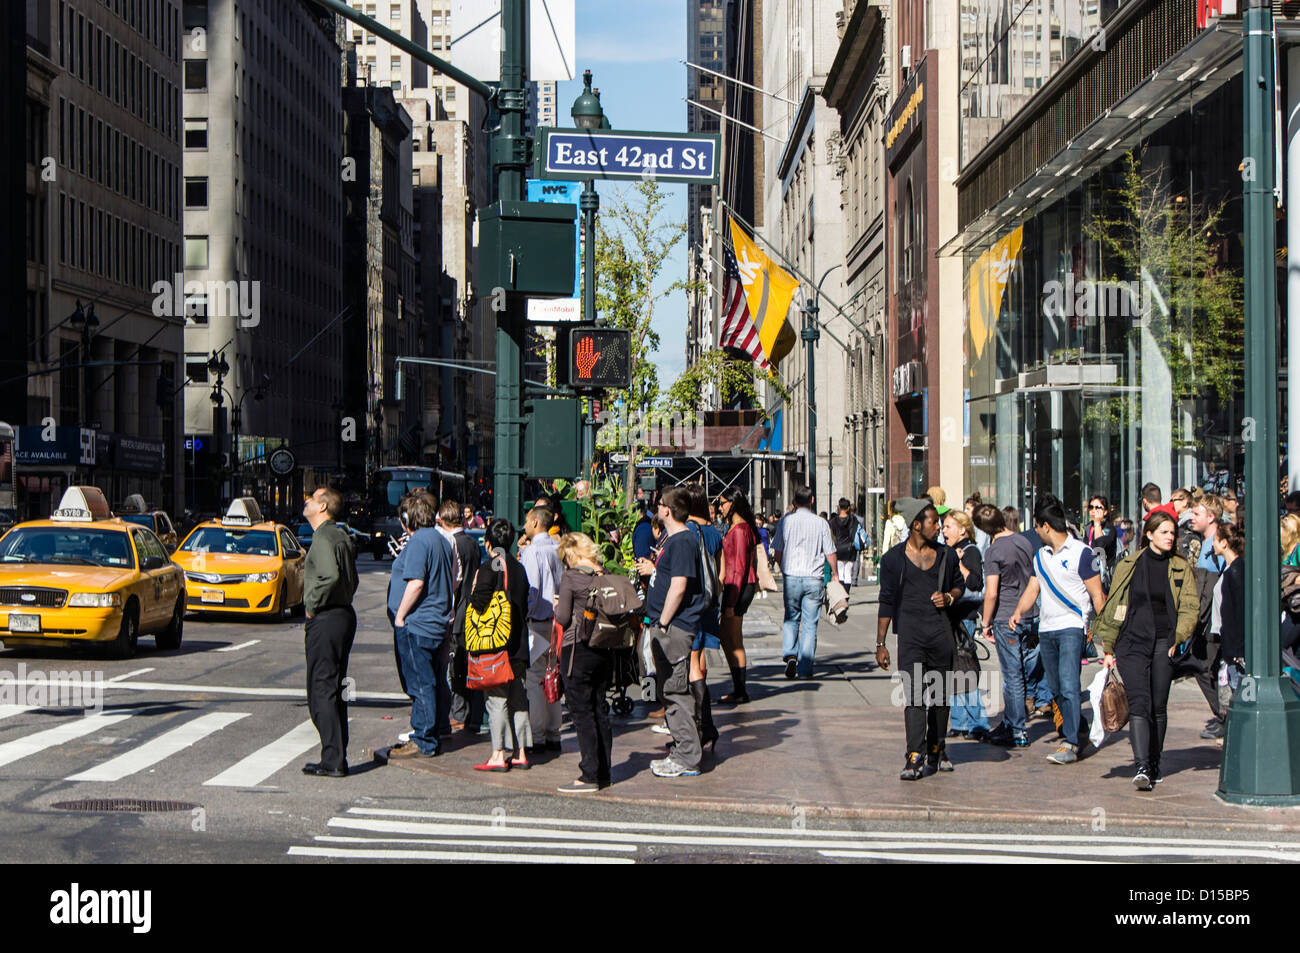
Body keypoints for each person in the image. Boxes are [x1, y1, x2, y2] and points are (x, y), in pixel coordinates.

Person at [1094, 511, 1200, 790]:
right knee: (1139, 703)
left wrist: (1179, 635)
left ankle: (1154, 762)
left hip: (1165, 641)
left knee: (1158, 706)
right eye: (1164, 532)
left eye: (1172, 533)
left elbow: (1190, 608)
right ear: (1149, 534)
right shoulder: (1128, 565)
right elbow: (1115, 606)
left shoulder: (1180, 567)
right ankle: (1141, 766)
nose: (1170, 537)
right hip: (1132, 642)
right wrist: (1108, 645)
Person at [1008, 500, 1106, 765]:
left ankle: (1071, 742)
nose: (1035, 531)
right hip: (1047, 628)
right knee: (1056, 689)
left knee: (1070, 685)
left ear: (1046, 525)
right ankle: (1080, 731)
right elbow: (1033, 588)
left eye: (1037, 526)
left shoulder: (1083, 553)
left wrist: (1107, 637)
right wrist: (1018, 612)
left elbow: (1098, 595)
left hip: (1072, 628)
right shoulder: (1040, 555)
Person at [876, 499, 964, 779]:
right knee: (914, 697)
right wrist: (880, 644)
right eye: (933, 522)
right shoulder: (892, 559)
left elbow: (959, 586)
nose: (938, 527)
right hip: (911, 639)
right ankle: (914, 756)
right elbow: (887, 601)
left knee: (939, 698)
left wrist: (949, 596)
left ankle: (936, 748)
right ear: (916, 525)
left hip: (940, 636)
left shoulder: (947, 556)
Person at [643, 487, 706, 778]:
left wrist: (665, 622)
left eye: (659, 504)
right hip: (669, 624)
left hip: (675, 628)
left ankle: (687, 757)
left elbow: (679, 585)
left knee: (675, 691)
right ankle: (683, 750)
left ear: (667, 510)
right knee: (671, 691)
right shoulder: (675, 539)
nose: (656, 507)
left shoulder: (682, 541)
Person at [388, 491, 456, 759]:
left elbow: (416, 583)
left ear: (407, 520)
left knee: (420, 681)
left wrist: (400, 615)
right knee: (433, 679)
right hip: (435, 620)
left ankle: (424, 738)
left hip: (418, 623)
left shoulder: (419, 543)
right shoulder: (439, 539)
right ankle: (434, 729)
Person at [301, 486, 359, 777]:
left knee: (320, 690)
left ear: (322, 507)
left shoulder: (324, 536)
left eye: (312, 497)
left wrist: (312, 603)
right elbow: (351, 579)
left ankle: (332, 760)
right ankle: (337, 755)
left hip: (326, 617)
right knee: (335, 688)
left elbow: (331, 576)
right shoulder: (341, 535)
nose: (307, 500)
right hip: (343, 616)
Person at [553, 532, 618, 792]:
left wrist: (558, 605)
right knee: (600, 708)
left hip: (577, 648)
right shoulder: (604, 575)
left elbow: (563, 617)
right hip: (604, 648)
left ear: (569, 556)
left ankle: (589, 774)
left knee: (582, 712)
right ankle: (604, 770)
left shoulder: (571, 577)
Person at [469, 519, 532, 771]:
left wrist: (475, 589)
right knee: (518, 697)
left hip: (496, 645)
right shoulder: (518, 567)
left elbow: (479, 600)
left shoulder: (491, 565)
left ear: (488, 543)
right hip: (518, 644)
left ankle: (497, 754)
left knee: (496, 699)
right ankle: (521, 751)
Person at [974, 503, 1038, 747]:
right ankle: (1012, 722)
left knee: (1012, 675)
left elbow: (991, 592)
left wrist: (986, 621)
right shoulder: (1023, 542)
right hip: (1028, 610)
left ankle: (1017, 728)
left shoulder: (993, 551)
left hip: (1005, 614)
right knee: (1022, 670)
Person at [771, 485, 837, 679]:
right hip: (814, 578)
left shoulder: (786, 522)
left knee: (791, 618)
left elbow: (778, 550)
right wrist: (835, 573)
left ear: (794, 501)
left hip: (792, 575)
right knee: (810, 624)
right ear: (812, 500)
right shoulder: (821, 523)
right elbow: (830, 551)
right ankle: (805, 667)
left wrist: (782, 567)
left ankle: (790, 654)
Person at [519, 505, 563, 752]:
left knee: (535, 679)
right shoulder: (558, 548)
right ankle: (553, 731)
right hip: (556, 622)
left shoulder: (532, 552)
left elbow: (532, 590)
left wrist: (524, 614)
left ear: (536, 522)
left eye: (527, 521)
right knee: (552, 675)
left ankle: (537, 734)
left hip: (537, 622)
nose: (524, 525)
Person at [942, 509, 989, 739]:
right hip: (951, 618)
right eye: (943, 526)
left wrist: (959, 563)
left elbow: (975, 582)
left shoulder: (970, 551)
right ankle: (959, 722)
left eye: (948, 526)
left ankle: (977, 724)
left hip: (964, 618)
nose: (944, 531)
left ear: (962, 528)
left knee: (966, 671)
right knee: (954, 672)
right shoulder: (949, 551)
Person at [681, 484, 722, 750]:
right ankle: (705, 726)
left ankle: (702, 726)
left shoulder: (685, 532)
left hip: (691, 603)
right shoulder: (715, 533)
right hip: (709, 604)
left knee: (691, 666)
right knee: (699, 662)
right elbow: (721, 576)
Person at [442, 501, 485, 735]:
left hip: (458, 611)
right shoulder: (472, 542)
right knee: (470, 663)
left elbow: (453, 581)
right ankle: (472, 714)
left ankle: (459, 714)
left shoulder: (451, 544)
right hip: (472, 609)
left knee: (456, 666)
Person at [717, 488, 759, 705]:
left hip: (738, 587)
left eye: (723, 503)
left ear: (733, 503)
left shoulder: (740, 530)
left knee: (733, 638)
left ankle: (740, 689)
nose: (720, 507)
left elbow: (739, 566)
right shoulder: (738, 528)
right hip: (736, 586)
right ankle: (738, 687)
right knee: (728, 637)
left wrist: (731, 602)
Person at [1210, 521, 1245, 709]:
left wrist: (1237, 651)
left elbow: (1238, 613)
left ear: (1224, 543)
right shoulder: (1231, 569)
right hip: (1231, 647)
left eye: (1215, 540)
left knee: (1238, 691)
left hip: (1236, 649)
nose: (1213, 544)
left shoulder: (1236, 571)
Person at [828, 498, 858, 591]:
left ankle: (841, 595)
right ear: (848, 508)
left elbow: (831, 536)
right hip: (850, 548)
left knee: (840, 572)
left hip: (838, 549)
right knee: (848, 572)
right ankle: (847, 595)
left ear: (839, 507)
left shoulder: (833, 521)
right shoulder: (853, 520)